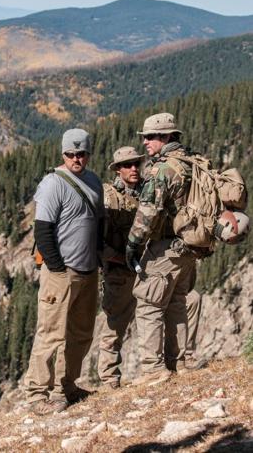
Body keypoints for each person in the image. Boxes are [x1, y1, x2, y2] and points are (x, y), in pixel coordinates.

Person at [24, 128, 104, 415]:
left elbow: (99, 223)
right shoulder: (52, 184)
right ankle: (36, 394)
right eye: (71, 154)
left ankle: (66, 387)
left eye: (81, 154)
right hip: (61, 271)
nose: (76, 159)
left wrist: (99, 258)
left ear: (88, 154)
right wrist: (56, 268)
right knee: (51, 332)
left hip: (88, 269)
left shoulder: (94, 181)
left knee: (80, 332)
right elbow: (42, 229)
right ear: (63, 154)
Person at [126, 112, 209, 385]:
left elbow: (149, 212)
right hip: (189, 248)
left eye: (150, 137)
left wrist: (133, 244)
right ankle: (180, 362)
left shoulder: (162, 169)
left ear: (166, 137)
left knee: (149, 304)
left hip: (165, 248)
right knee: (177, 303)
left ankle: (152, 370)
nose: (146, 142)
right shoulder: (193, 162)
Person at [98, 146, 144, 389]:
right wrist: (117, 258)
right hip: (118, 271)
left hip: (145, 269)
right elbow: (97, 241)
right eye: (127, 165)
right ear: (118, 169)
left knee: (150, 321)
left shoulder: (147, 192)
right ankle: (109, 379)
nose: (134, 168)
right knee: (114, 326)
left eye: (136, 163)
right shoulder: (107, 197)